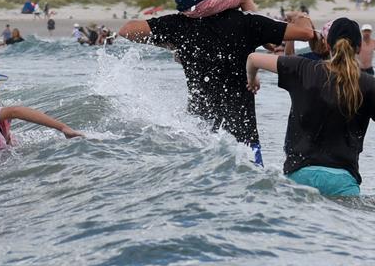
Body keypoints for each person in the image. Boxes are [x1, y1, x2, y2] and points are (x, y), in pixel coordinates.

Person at [246, 17, 375, 196]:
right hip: (343, 181)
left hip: (300, 174)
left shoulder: (303, 68)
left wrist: (252, 80)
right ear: (359, 48)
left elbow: (253, 59)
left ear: (327, 45)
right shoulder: (369, 84)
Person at [119, 9, 314, 166]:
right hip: (244, 138)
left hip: (199, 137)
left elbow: (127, 31)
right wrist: (302, 16)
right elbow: (304, 33)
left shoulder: (180, 25)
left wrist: (175, 45)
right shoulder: (247, 23)